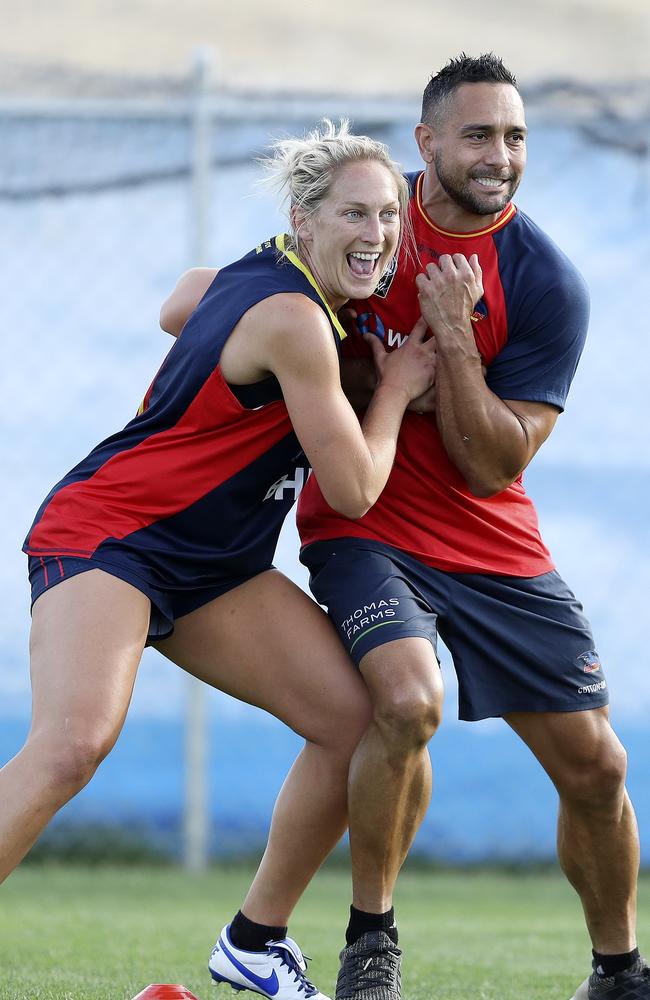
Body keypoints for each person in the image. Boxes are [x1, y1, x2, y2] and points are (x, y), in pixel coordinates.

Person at [8, 120, 438, 1000]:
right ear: (304, 219)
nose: (379, 233)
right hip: (111, 535)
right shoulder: (294, 319)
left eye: (390, 214)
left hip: (210, 567)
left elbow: (182, 299)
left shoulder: (264, 280)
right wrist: (392, 391)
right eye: (354, 213)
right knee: (72, 746)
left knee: (355, 722)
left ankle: (254, 943)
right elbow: (354, 488)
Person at [294, 56, 648, 1000]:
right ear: (428, 143)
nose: (501, 155)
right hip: (364, 523)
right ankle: (372, 943)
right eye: (480, 134)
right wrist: (372, 387)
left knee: (597, 764)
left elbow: (494, 461)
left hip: (492, 537)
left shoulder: (545, 284)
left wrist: (452, 337)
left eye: (517, 136)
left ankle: (618, 969)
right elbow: (273, 323)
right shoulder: (365, 226)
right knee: (407, 704)